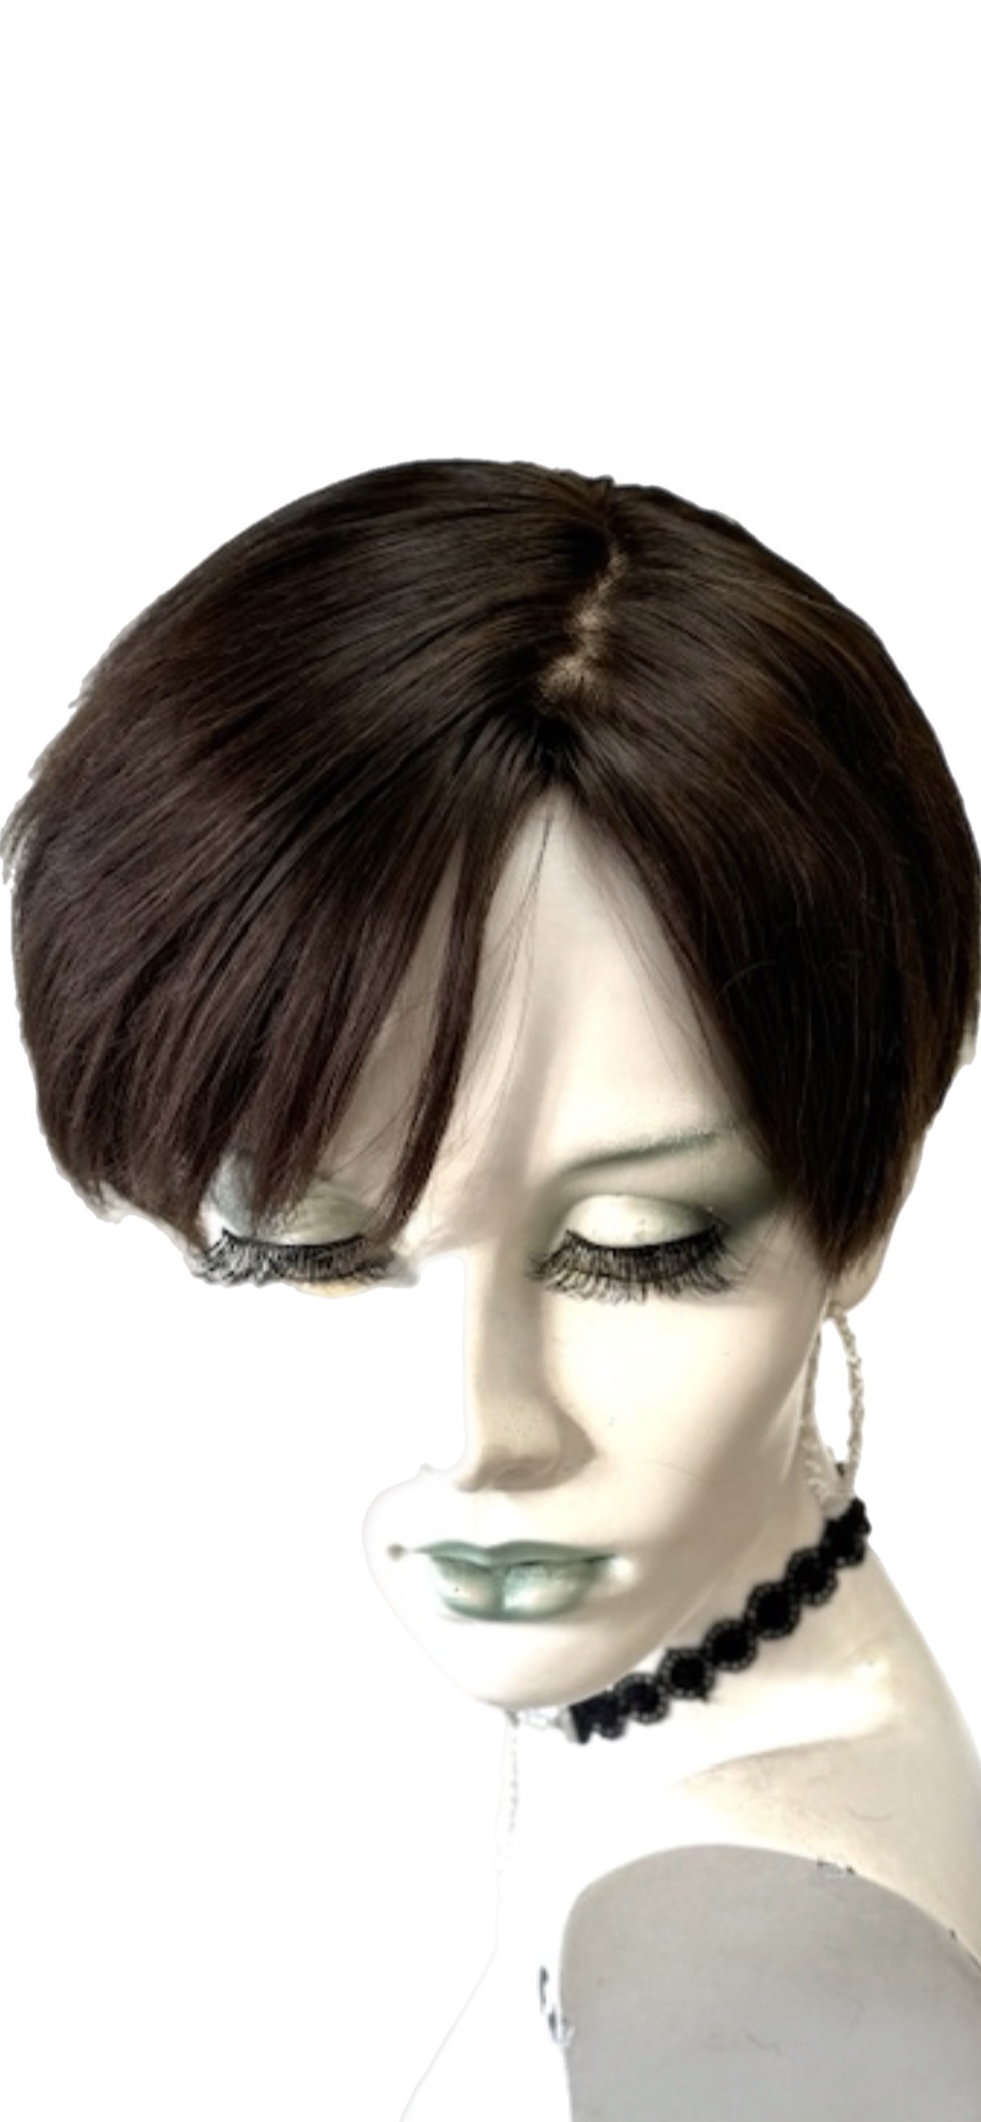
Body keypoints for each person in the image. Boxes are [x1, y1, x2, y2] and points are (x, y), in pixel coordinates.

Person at [5, 460, 981, 2117]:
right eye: (305, 1246)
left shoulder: (758, 1987)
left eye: (638, 1244)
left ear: (863, 1202)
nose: (473, 1426)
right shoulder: (692, 1749)